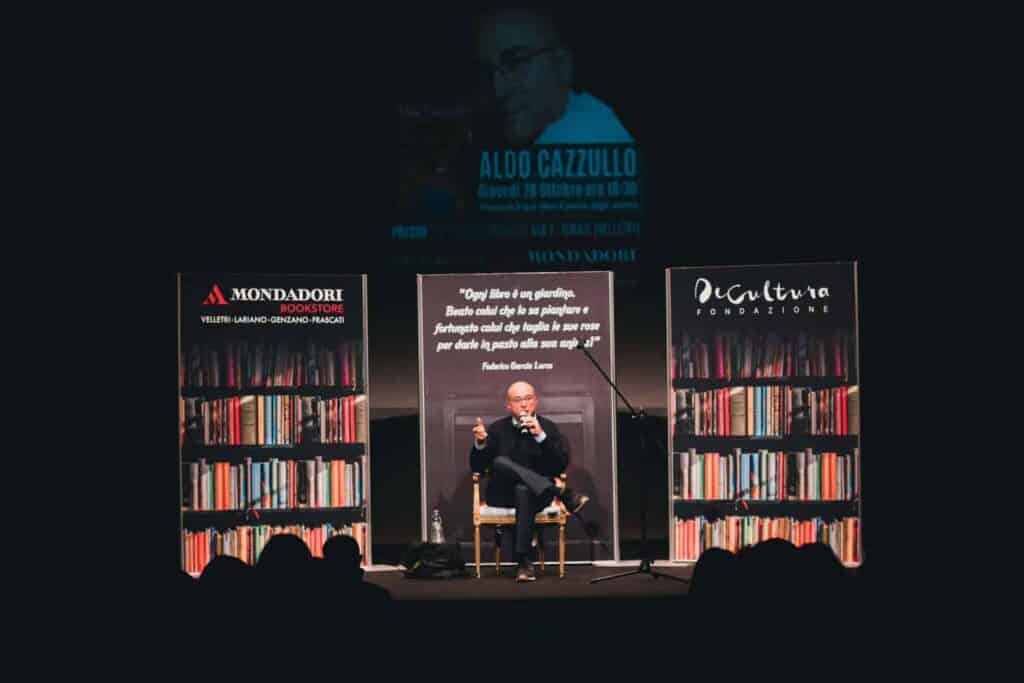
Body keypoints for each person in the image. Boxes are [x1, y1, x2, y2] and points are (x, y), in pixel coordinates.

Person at [470, 380, 589, 582]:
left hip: (537, 495)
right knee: (499, 462)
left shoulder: (548, 427)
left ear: (536, 401)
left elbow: (560, 465)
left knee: (523, 490)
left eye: (528, 398)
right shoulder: (497, 429)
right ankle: (561, 493)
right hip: (503, 494)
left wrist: (541, 437)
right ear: (509, 405)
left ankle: (523, 562)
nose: (524, 404)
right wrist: (481, 443)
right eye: (518, 400)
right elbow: (478, 467)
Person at [473, 8, 633, 146]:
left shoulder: (576, 145)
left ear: (562, 64)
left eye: (516, 62)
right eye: (486, 71)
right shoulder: (589, 116)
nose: (498, 90)